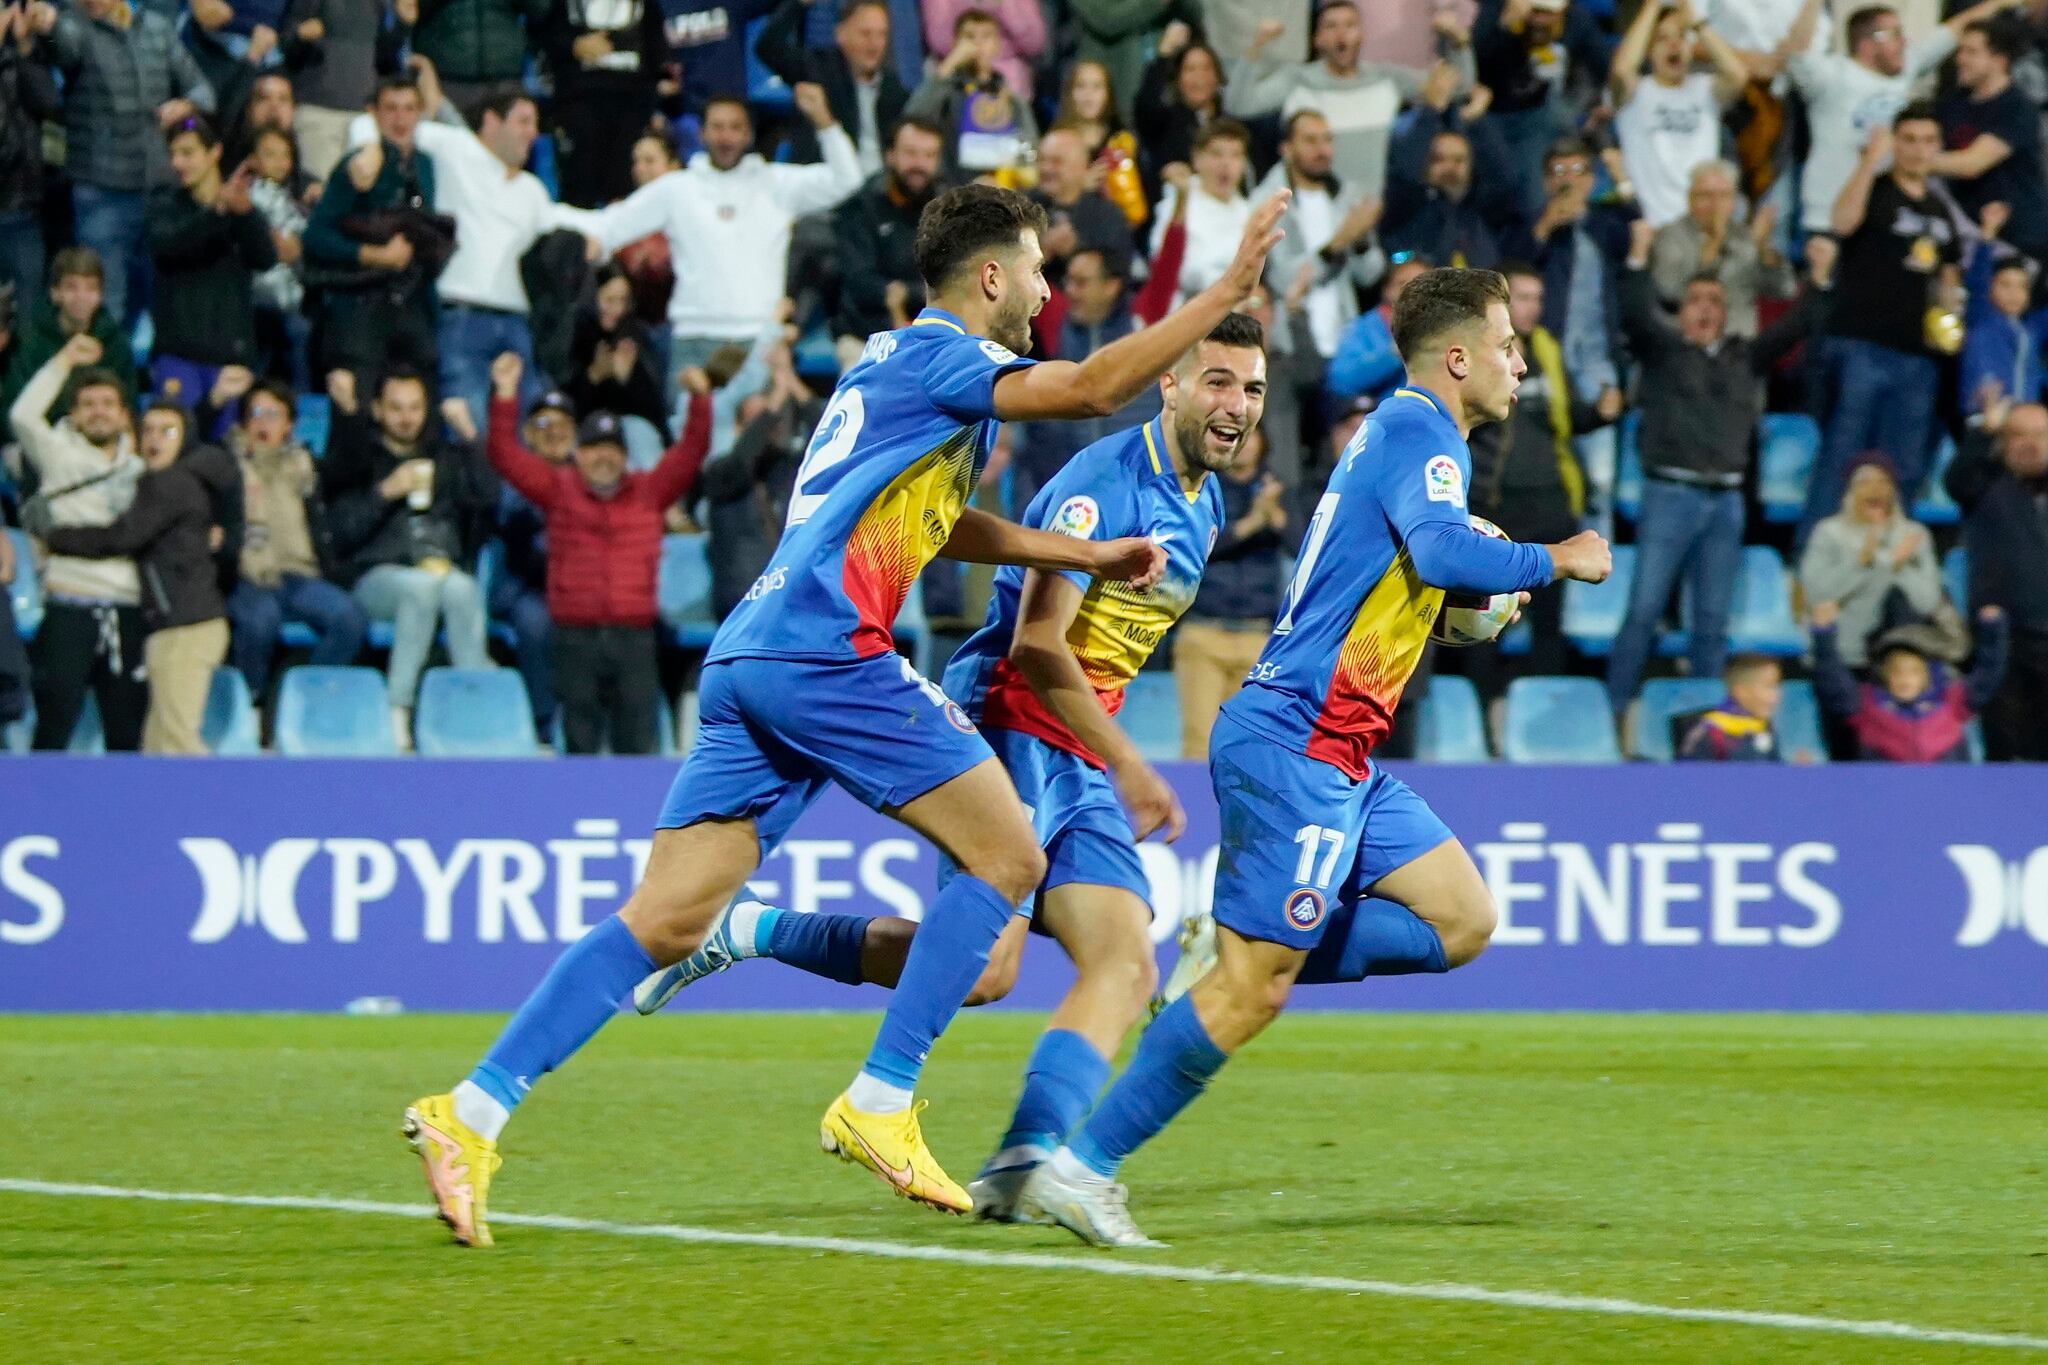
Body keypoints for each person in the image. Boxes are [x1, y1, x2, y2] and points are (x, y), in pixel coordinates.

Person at [400, 181, 1291, 1246]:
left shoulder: (886, 366)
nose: (1048, 289)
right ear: (990, 276)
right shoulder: (948, 356)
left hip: (753, 651)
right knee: (1007, 857)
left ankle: (473, 1110)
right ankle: (880, 1099)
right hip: (831, 647)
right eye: (1036, 270)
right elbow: (1098, 386)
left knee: (666, 919)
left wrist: (1079, 554)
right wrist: (1223, 292)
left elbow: (932, 523)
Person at [633, 316, 1271, 1231]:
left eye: (1250, 389)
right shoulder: (1102, 487)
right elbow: (1039, 648)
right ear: (1167, 385)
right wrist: (1134, 763)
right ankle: (748, 929)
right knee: (986, 974)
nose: (1234, 406)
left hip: (1082, 747)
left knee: (1125, 963)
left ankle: (1026, 1163)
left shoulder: (1203, 504)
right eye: (1215, 381)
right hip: (1013, 720)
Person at [1019, 268, 1613, 1247]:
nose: (1518, 363)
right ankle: (1082, 1168)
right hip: (1296, 739)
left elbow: (1422, 565)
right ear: (1456, 357)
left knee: (1460, 917)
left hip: (1341, 749)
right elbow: (1438, 553)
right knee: (1252, 994)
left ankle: (1231, 939)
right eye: (1506, 345)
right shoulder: (1419, 430)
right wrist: (1555, 557)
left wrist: (1462, 594)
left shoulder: (1412, 438)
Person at [1607, 224, 1834, 715]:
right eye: (1695, 300)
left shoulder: (1745, 357)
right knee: (1644, 612)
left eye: (1715, 300)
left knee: (1712, 621)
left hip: (1726, 502)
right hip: (1671, 494)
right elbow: (1633, 312)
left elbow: (1799, 324)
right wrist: (1640, 255)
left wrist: (1818, 276)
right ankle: (1612, 715)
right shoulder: (1664, 353)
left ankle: (1707, 727)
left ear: (1726, 311)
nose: (1705, 308)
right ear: (1681, 312)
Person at [486, 353, 711, 754]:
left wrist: (700, 400)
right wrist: (505, 394)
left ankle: (639, 818)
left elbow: (692, 452)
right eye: (593, 448)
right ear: (578, 453)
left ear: (625, 456)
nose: (603, 457)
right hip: (575, 639)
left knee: (638, 747)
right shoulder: (559, 489)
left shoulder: (649, 491)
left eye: (612, 449)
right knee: (580, 746)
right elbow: (505, 455)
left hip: (635, 639)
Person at [345, 80, 603, 430]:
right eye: (524, 121)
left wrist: (594, 242)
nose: (534, 132)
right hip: (463, 320)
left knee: (532, 432)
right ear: (492, 123)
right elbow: (373, 124)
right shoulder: (457, 149)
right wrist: (367, 149)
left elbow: (573, 224)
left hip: (518, 326)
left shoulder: (533, 191)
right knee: (470, 428)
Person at [587, 88, 861, 389]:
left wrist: (825, 122)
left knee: (757, 436)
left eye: (735, 127)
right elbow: (611, 225)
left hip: (759, 339)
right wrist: (589, 240)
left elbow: (847, 180)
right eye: (717, 127)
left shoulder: (776, 183)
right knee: (689, 435)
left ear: (748, 135)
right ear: (702, 134)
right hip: (693, 338)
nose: (726, 137)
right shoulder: (677, 189)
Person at [32, 401, 241, 754]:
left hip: (186, 626)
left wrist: (54, 536)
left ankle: (224, 808)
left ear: (185, 438)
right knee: (156, 746)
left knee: (176, 739)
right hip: (175, 625)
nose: (155, 439)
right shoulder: (186, 481)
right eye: (149, 430)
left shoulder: (171, 483)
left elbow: (122, 537)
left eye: (168, 431)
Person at [320, 366, 496, 749]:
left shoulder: (444, 457)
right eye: (396, 408)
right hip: (375, 577)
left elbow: (488, 497)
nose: (406, 417)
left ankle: (473, 701)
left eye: (415, 408)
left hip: (438, 567)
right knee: (420, 588)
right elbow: (339, 533)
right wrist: (384, 492)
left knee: (464, 589)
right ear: (378, 409)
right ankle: (398, 707)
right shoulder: (357, 457)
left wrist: (469, 434)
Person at [1808, 108, 1965, 531]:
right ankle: (1814, 566)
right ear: (1895, 143)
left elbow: (1949, 279)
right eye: (1908, 139)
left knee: (1905, 469)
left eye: (1927, 140)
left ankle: (1887, 566)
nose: (1917, 149)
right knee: (1842, 462)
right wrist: (1867, 161)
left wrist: (1951, 319)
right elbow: (1841, 223)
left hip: (1919, 359)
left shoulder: (1940, 209)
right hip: (1863, 345)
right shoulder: (1875, 189)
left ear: (1938, 147)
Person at [1465, 260, 1612, 692]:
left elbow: (1563, 418)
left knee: (1550, 622)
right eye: (1522, 298)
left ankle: (1547, 722)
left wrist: (1599, 413)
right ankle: (1487, 712)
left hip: (1550, 501)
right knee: (1485, 623)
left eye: (1537, 299)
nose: (1531, 308)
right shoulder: (1481, 355)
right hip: (1496, 506)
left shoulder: (1546, 348)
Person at [27, 0, 216, 327]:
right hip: (100, 195)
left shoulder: (157, 27)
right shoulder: (74, 26)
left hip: (160, 192)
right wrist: (49, 26)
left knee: (165, 306)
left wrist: (186, 104)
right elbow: (62, 49)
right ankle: (102, 376)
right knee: (103, 306)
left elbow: (204, 92)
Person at [1778, 0, 2026, 237]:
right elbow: (1797, 53)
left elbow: (1951, 32)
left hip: (1883, 219)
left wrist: (1996, 4)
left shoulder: (1906, 69)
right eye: (1894, 34)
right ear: (1866, 43)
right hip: (1828, 216)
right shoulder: (1834, 76)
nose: (1904, 41)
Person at [9, 335, 146, 751]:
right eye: (88, 404)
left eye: (108, 403)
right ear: (73, 415)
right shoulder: (57, 454)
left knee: (128, 737)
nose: (98, 412)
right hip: (70, 608)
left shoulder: (143, 471)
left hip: (129, 612)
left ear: (125, 416)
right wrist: (63, 360)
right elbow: (22, 414)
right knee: (53, 729)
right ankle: (35, 816)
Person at [1230, 1, 1474, 201]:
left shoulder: (1387, 78)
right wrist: (1257, 47)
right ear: (1317, 38)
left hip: (1374, 213)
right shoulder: (1298, 80)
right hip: (1313, 214)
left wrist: (1459, 42)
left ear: (1362, 34)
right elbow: (1239, 104)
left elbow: (1460, 87)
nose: (1341, 33)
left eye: (1350, 25)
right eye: (1331, 26)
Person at [226, 378, 366, 698]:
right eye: (256, 413)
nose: (264, 423)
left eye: (274, 414)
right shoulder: (225, 465)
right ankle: (251, 704)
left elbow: (354, 465)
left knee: (349, 619)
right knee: (261, 620)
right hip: (248, 576)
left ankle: (301, 700)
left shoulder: (303, 466)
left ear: (289, 424)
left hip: (300, 576)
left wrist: (348, 411)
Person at [302, 75, 440, 381]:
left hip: (412, 306)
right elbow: (316, 236)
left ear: (419, 113)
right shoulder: (357, 165)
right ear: (373, 113)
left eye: (408, 108)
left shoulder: (426, 164)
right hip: (359, 310)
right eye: (391, 108)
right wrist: (371, 254)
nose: (400, 118)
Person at [148, 117, 278, 425]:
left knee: (227, 454)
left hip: (229, 358)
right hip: (178, 354)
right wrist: (217, 210)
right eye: (174, 154)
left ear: (214, 153)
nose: (178, 162)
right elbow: (169, 245)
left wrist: (245, 214)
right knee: (177, 444)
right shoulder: (164, 204)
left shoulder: (239, 210)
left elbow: (265, 258)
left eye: (188, 153)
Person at [1174, 426, 1290, 758]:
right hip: (1204, 631)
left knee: (1251, 748)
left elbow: (1304, 543)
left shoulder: (1279, 490)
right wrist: (1253, 522)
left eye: (1254, 434)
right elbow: (1199, 546)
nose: (1246, 442)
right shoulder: (1204, 488)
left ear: (1263, 442)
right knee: (1199, 742)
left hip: (1258, 637)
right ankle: (1197, 812)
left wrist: (1276, 514)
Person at [1944, 399, 2048, 760]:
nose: (2030, 443)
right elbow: (1956, 481)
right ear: (2002, 442)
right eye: (2018, 435)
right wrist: (1982, 431)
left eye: (2040, 435)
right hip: (2001, 637)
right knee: (2002, 746)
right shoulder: (1984, 484)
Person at [1608, 0, 1750, 228]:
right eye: (1662, 39)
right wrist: (1652, 6)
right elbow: (1622, 69)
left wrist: (1697, 23)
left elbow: (1738, 74)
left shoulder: (1705, 89)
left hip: (1700, 223)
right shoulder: (1635, 94)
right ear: (1648, 50)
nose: (1674, 45)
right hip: (1651, 222)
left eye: (1681, 36)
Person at [1812, 598, 2009, 762]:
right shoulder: (1867, 704)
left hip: (1945, 794)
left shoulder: (1951, 701)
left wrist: (1994, 630)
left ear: (1925, 675)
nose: (1904, 678)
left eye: (1913, 671)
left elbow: (1988, 674)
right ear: (1886, 677)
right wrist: (1823, 634)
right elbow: (1832, 679)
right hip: (1886, 796)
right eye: (1897, 672)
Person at [1798, 456, 1943, 669]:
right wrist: (1861, 563)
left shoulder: (1914, 535)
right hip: (1840, 654)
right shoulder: (1829, 532)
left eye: (1884, 482)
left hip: (1896, 660)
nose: (1875, 490)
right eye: (1865, 482)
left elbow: (1927, 603)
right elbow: (1816, 595)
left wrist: (1897, 565)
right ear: (1849, 491)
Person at [1932, 17, 2048, 264]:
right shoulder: (1951, 104)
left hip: (2018, 239)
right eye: (1960, 50)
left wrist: (1911, 159)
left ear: (1999, 60)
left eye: (1971, 52)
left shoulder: (2017, 108)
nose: (1960, 59)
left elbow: (1972, 164)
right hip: (1968, 235)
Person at [832, 116, 945, 367]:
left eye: (929, 155)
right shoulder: (860, 209)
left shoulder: (946, 208)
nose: (920, 164)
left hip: (935, 339)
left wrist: (905, 292)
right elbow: (862, 284)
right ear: (890, 155)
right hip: (867, 337)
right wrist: (921, 293)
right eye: (911, 154)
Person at [535, 0, 671, 207]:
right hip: (579, 103)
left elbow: (655, 42)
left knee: (624, 190)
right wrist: (573, 45)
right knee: (578, 188)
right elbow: (544, 34)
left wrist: (653, 98)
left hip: (632, 105)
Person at [754, 0, 908, 175]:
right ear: (840, 34)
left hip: (880, 189)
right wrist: (797, 4)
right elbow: (768, 47)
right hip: (826, 186)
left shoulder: (894, 88)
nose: (875, 44)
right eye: (866, 34)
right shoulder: (816, 70)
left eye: (882, 35)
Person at [1649, 160, 1794, 340]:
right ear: (1690, 199)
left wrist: (1765, 250)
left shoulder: (1745, 236)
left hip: (1739, 346)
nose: (1715, 204)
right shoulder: (1670, 237)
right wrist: (1715, 243)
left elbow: (1785, 290)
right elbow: (1669, 293)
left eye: (1724, 196)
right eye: (1706, 196)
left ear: (1734, 202)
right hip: (1687, 348)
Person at [0, 248, 137, 438]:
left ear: (100, 295)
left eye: (91, 288)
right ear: (55, 293)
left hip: (100, 441)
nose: (81, 297)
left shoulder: (115, 343)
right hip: (38, 442)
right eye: (72, 287)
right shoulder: (28, 341)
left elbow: (128, 406)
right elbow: (14, 406)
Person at [904, 7, 1040, 174]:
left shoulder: (1013, 101)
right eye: (969, 37)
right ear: (955, 43)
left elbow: (1030, 154)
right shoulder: (944, 94)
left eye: (986, 36)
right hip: (951, 191)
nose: (978, 44)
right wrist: (949, 64)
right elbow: (912, 119)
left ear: (997, 45)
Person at [1151, 121, 1254, 306]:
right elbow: (1167, 267)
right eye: (1217, 154)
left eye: (1235, 155)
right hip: (1183, 311)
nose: (1226, 164)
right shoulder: (1176, 203)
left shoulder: (1248, 212)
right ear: (1197, 159)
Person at [0, 5, 61, 305]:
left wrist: (23, 48)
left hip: (21, 209)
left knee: (28, 319)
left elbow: (48, 103)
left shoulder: (23, 55)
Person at [1961, 204, 2044, 417]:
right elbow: (1978, 280)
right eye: (2005, 284)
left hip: (2020, 422)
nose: (2014, 293)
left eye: (2022, 286)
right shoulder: (1982, 318)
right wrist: (1987, 235)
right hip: (1983, 416)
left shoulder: (2030, 330)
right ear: (1990, 288)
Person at [567, 267, 668, 433]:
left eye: (623, 300)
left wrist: (626, 380)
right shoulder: (572, 337)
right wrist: (593, 377)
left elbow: (654, 416)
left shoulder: (633, 338)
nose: (618, 309)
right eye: (609, 300)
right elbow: (565, 407)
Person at [1032, 123, 1132, 287]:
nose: (1046, 168)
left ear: (1082, 167)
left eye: (1056, 162)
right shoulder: (1020, 206)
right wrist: (1041, 251)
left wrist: (1076, 249)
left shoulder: (1107, 215)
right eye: (1042, 160)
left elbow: (1119, 275)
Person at [1134, 35, 1224, 197]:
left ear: (1217, 76)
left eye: (1206, 68)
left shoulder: (1230, 124)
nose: (1199, 77)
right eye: (1190, 69)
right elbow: (1147, 106)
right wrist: (1162, 58)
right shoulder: (1163, 123)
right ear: (1178, 79)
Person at [921, 0, 1045, 103]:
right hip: (959, 71)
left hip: (1009, 79)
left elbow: (1034, 44)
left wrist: (1005, 5)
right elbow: (939, 42)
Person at [1675, 653, 1785, 761]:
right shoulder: (1709, 734)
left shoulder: (1765, 727)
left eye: (1777, 686)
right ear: (1741, 691)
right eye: (1769, 687)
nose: (1777, 694)